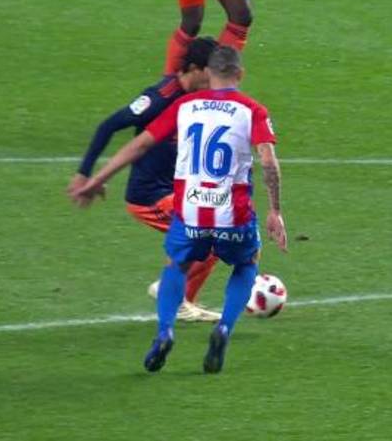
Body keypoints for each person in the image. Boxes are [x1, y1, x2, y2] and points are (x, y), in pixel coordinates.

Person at [71, 46, 288, 374]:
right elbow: (269, 161)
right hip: (232, 211)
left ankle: (164, 332)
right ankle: (224, 329)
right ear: (239, 75)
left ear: (210, 74)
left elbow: (139, 144)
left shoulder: (184, 106)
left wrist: (95, 178)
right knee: (246, 263)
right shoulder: (252, 110)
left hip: (190, 210)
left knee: (176, 266)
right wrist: (275, 211)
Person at [68, 37, 222, 322]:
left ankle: (181, 299)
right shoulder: (160, 97)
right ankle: (171, 294)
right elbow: (109, 126)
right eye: (210, 71)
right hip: (148, 195)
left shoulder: (200, 98)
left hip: (176, 190)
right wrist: (85, 173)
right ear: (194, 68)